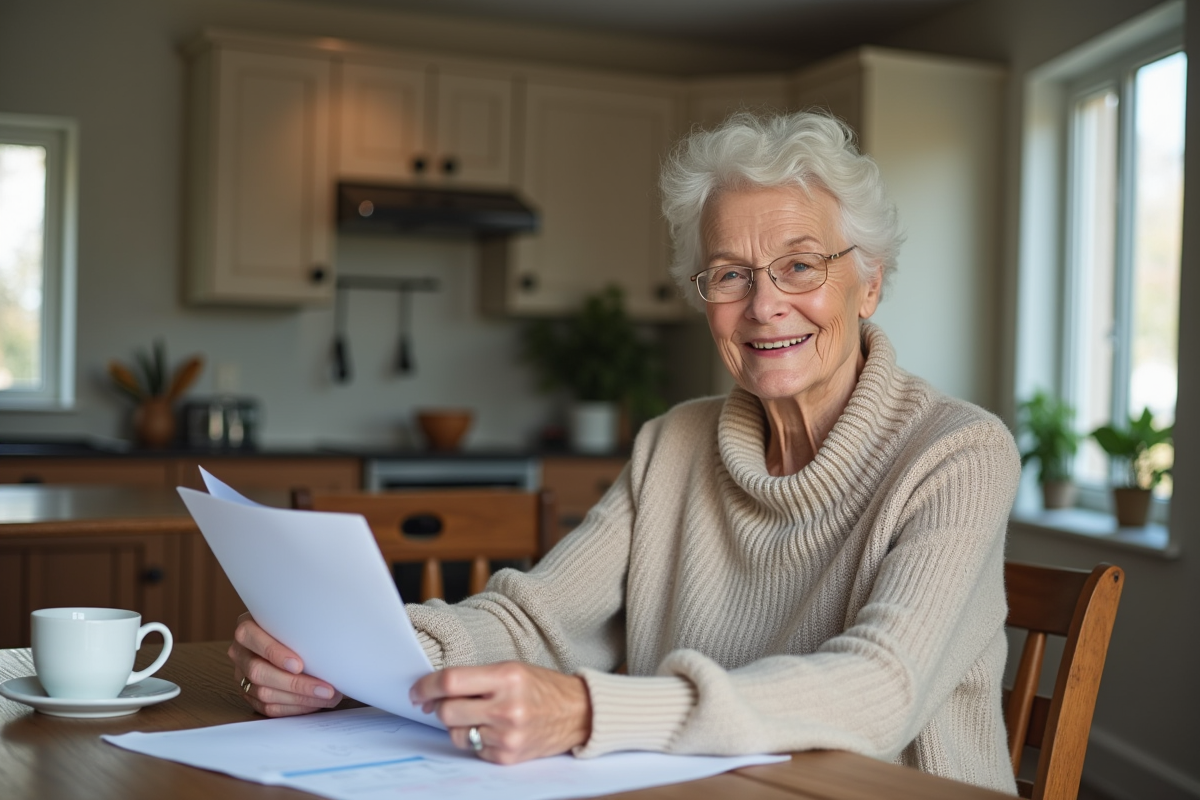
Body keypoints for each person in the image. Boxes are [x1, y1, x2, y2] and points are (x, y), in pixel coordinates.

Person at [228, 111, 1020, 794]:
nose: (764, 304)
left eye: (801, 266)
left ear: (870, 282)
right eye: (729, 275)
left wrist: (585, 709)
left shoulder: (958, 455)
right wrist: (348, 660)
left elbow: (879, 689)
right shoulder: (672, 443)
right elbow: (536, 620)